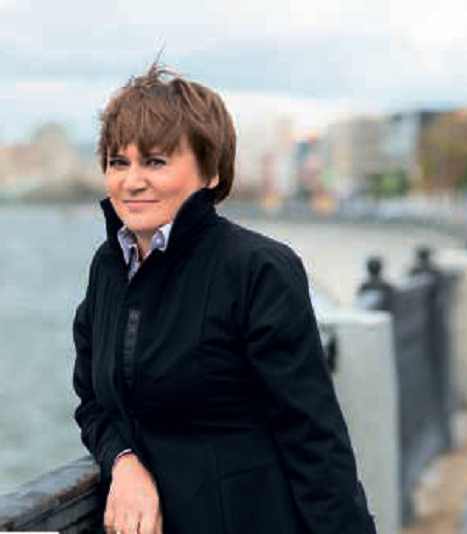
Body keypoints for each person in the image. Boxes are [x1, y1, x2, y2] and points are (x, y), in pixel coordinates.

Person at [72, 61, 376, 534]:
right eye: (118, 162)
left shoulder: (258, 270)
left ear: (211, 170)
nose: (131, 181)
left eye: (155, 161)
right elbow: (92, 400)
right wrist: (123, 461)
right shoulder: (108, 268)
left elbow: (313, 440)